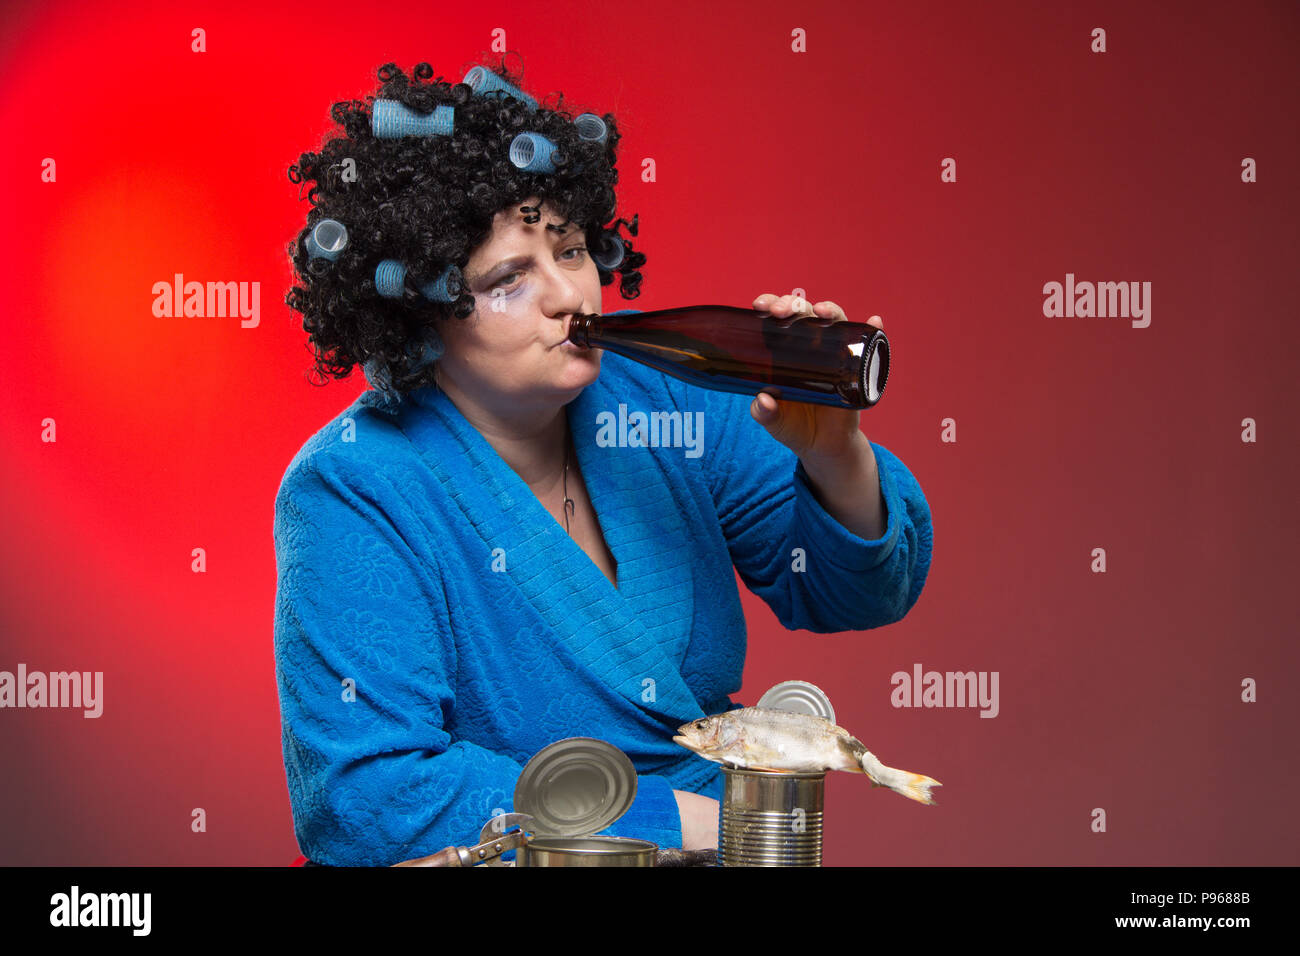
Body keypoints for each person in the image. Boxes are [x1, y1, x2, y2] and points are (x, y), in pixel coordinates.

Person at [274, 55, 934, 866]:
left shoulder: (663, 395)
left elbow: (859, 594)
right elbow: (368, 794)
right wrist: (681, 825)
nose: (569, 296)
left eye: (574, 249)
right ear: (420, 312)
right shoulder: (355, 484)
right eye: (511, 276)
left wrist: (835, 454)